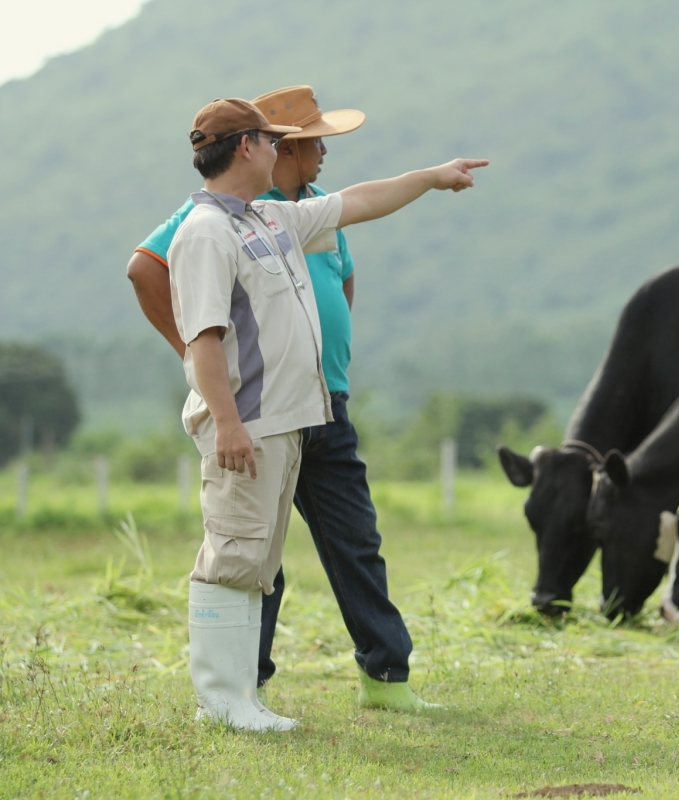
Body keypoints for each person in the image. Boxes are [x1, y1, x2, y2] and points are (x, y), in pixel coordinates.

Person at [144, 94, 485, 731]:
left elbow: (358, 200)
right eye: (271, 140)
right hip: (249, 422)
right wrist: (226, 422)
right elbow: (205, 339)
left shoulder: (268, 218)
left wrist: (432, 177)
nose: (281, 148)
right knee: (235, 556)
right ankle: (223, 703)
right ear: (246, 146)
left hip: (290, 421)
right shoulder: (205, 232)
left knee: (260, 561)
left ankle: (241, 700)